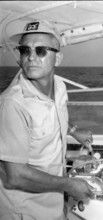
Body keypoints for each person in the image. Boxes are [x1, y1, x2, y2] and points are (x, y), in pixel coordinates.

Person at [0, 20, 93, 220]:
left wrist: (73, 130)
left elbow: (51, 115)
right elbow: (13, 176)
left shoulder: (59, 87)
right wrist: (68, 185)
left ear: (57, 58)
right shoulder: (12, 104)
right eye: (25, 50)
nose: (31, 57)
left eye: (41, 50)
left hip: (55, 202)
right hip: (26, 211)